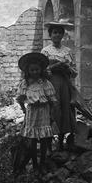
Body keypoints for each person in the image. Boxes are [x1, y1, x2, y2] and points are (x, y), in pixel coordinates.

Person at [16, 52, 58, 174]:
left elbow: (53, 101)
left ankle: (43, 162)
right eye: (32, 70)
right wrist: (24, 110)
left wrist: (51, 114)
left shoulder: (45, 83)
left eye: (37, 69)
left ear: (41, 70)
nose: (35, 72)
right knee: (33, 139)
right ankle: (34, 163)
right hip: (32, 112)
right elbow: (20, 99)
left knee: (44, 138)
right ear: (28, 71)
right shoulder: (25, 84)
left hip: (44, 111)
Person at [41, 20, 77, 151]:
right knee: (53, 109)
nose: (57, 35)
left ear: (63, 35)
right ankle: (50, 142)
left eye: (59, 32)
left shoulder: (67, 51)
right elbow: (41, 71)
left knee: (65, 108)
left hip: (65, 84)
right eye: (54, 32)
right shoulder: (45, 51)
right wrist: (54, 66)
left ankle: (62, 140)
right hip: (51, 84)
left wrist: (67, 67)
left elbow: (74, 72)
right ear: (50, 35)